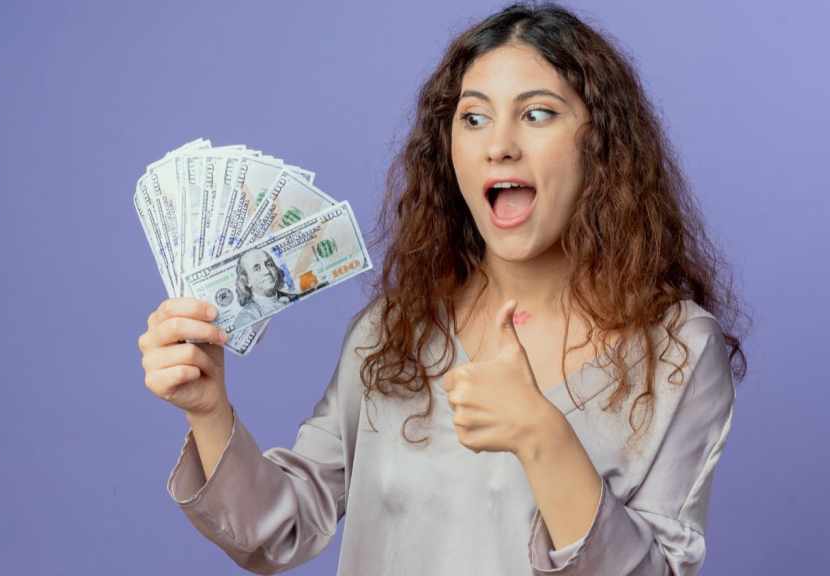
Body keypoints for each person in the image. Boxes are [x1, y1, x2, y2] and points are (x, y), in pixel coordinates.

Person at [137, 3, 749, 574]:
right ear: (448, 149)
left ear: (602, 144)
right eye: (474, 118)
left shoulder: (676, 350)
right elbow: (279, 529)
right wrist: (208, 411)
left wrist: (543, 437)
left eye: (537, 114)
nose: (500, 144)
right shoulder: (393, 330)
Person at [232, 247, 297, 327]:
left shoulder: (294, 297)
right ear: (247, 281)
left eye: (269, 264)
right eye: (257, 268)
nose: (266, 271)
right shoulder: (246, 317)